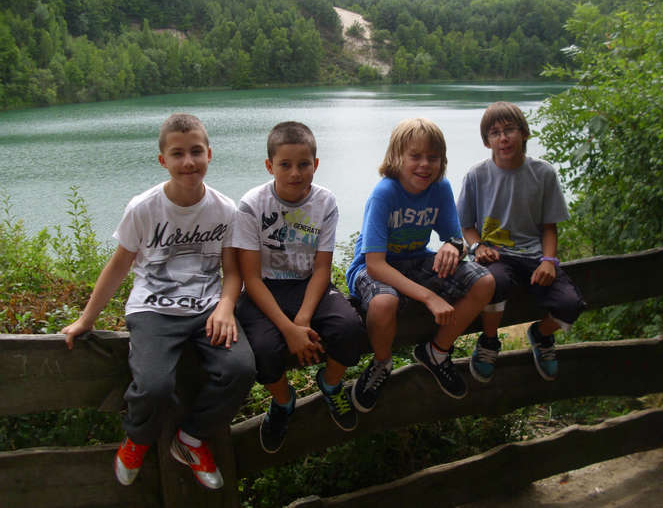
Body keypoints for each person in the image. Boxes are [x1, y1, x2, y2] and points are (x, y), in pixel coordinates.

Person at [61, 113, 256, 490]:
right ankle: (137, 438)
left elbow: (232, 271)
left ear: (209, 154)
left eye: (196, 151)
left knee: (240, 369)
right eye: (177, 154)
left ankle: (191, 439)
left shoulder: (225, 209)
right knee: (154, 387)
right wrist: (86, 320)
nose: (188, 162)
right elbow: (119, 265)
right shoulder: (144, 207)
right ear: (163, 160)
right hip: (153, 309)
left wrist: (226, 306)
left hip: (207, 308)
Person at [345, 117, 496, 413]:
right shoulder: (384, 193)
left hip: (416, 259)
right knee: (384, 303)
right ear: (397, 157)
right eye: (415, 156)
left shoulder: (439, 188)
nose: (425, 165)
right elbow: (375, 265)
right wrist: (429, 297)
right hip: (374, 266)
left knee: (484, 282)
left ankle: (436, 352)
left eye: (433, 157)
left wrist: (453, 246)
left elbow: (455, 238)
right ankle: (382, 362)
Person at [233, 121, 365, 454]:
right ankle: (283, 402)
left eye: (304, 164)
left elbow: (321, 268)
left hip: (308, 283)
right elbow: (251, 278)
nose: (295, 173)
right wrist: (288, 330)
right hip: (265, 288)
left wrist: (302, 320)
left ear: (315, 164)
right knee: (263, 350)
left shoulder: (325, 202)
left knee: (350, 329)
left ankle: (331, 384)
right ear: (269, 166)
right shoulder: (251, 205)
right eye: (285, 165)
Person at [457, 101, 586, 383]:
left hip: (534, 257)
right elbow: (466, 226)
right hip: (495, 255)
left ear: (524, 133)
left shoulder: (543, 173)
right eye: (494, 133)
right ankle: (489, 342)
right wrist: (478, 247)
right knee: (494, 283)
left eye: (509, 130)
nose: (503, 138)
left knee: (570, 304)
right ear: (487, 141)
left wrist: (549, 261)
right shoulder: (476, 176)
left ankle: (541, 334)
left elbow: (549, 227)